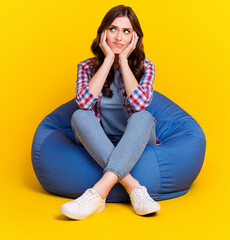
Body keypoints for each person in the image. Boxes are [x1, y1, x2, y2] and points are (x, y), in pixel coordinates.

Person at [60, 5, 161, 220]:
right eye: (113, 29)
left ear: (135, 37)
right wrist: (107, 60)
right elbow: (84, 103)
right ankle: (134, 188)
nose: (118, 37)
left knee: (143, 116)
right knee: (79, 115)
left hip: (136, 139)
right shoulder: (85, 67)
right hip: (100, 138)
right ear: (103, 32)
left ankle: (98, 194)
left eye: (126, 31)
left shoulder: (146, 67)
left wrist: (123, 60)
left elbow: (140, 103)